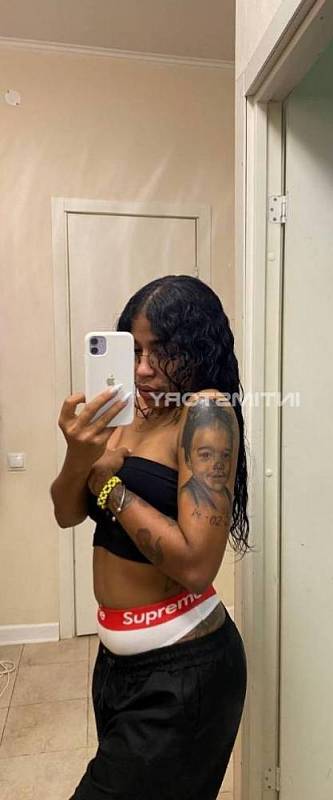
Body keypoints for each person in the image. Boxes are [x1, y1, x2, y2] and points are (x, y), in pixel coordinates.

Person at [50, 275, 251, 800]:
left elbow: (195, 565)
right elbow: (66, 513)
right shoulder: (127, 412)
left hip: (183, 672)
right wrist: (78, 455)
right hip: (117, 665)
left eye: (162, 351)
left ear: (198, 348)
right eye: (136, 349)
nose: (143, 367)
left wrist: (109, 483)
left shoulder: (205, 412)